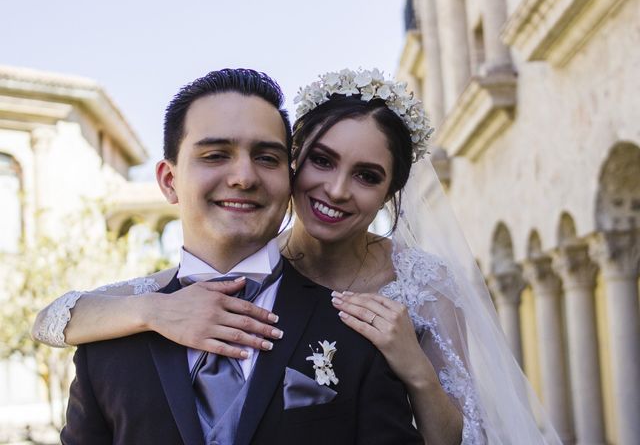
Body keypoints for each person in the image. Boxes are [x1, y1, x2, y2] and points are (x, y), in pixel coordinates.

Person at [35, 69, 561, 444]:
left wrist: (415, 369)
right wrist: (153, 310)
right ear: (296, 171)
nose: (335, 190)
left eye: (366, 175)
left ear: (388, 194)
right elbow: (52, 320)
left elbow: (458, 433)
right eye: (322, 162)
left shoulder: (381, 316)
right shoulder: (120, 334)